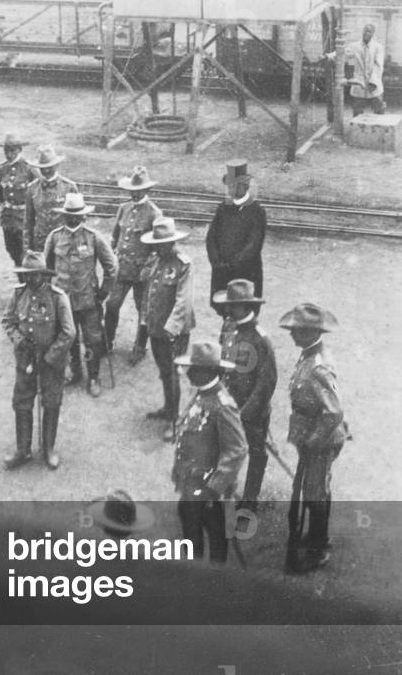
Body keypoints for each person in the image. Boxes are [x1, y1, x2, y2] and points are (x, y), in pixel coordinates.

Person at [280, 303, 348, 574]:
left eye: (296, 330)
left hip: (321, 438)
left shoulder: (318, 365)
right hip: (309, 431)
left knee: (314, 491)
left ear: (310, 333)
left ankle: (318, 549)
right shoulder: (309, 354)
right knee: (316, 488)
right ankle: (318, 535)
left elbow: (334, 411)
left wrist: (314, 440)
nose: (291, 334)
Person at [171, 340, 247, 567]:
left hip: (207, 490)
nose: (188, 372)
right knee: (190, 529)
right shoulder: (202, 394)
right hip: (190, 483)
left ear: (209, 371)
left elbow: (237, 449)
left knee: (216, 540)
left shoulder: (223, 405)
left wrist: (215, 487)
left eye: (193, 368)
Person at [1, 251, 76, 470]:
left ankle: (48, 449)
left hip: (52, 362)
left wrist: (51, 355)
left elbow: (68, 333)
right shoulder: (18, 294)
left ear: (44, 275)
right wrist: (18, 340)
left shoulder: (57, 297)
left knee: (51, 402)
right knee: (22, 402)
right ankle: (22, 450)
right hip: (25, 360)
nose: (31, 279)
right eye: (27, 275)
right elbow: (7, 321)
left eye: (35, 275)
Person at [43, 193, 116, 398]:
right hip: (63, 300)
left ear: (84, 216)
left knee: (92, 340)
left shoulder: (93, 237)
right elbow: (46, 267)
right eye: (69, 215)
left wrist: (102, 293)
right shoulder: (55, 237)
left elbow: (112, 267)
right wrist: (50, 292)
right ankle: (75, 371)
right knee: (69, 338)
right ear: (63, 216)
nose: (73, 219)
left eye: (77, 215)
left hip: (88, 300)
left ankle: (93, 376)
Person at [214, 279, 277, 511]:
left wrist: (246, 413)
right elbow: (223, 363)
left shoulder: (260, 339)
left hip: (252, 410)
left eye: (232, 305)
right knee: (226, 448)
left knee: (256, 452)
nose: (227, 309)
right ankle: (226, 489)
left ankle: (250, 500)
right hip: (229, 403)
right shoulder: (228, 327)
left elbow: (266, 383)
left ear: (245, 306)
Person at [140, 217, 195, 440]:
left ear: (171, 242)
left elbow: (184, 301)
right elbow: (148, 293)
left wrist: (171, 329)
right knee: (164, 371)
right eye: (156, 244)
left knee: (172, 373)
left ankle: (174, 421)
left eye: (162, 244)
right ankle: (168, 407)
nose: (158, 247)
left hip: (175, 331)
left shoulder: (183, 264)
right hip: (156, 326)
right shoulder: (155, 261)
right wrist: (146, 321)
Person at [104, 167, 162, 364]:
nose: (134, 193)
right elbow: (115, 236)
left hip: (141, 272)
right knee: (112, 305)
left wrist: (147, 268)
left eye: (139, 190)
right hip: (121, 268)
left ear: (147, 191)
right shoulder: (124, 208)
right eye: (132, 190)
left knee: (143, 311)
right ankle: (108, 341)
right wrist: (111, 258)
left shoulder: (154, 213)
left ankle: (139, 347)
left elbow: (158, 246)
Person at [205, 160, 266, 310]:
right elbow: (211, 237)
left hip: (244, 273)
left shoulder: (256, 211)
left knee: (242, 308)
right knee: (224, 308)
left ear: (244, 186)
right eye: (229, 186)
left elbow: (254, 244)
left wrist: (234, 263)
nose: (229, 189)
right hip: (221, 271)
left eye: (233, 185)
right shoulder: (223, 208)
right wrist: (216, 261)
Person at [23, 145, 79, 253]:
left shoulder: (69, 187)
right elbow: (28, 221)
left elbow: (79, 219)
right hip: (40, 244)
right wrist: (27, 248)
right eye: (43, 168)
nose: (47, 170)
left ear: (57, 165)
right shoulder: (32, 189)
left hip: (64, 243)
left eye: (50, 166)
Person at [0, 134, 38, 266]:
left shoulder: (28, 168)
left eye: (12, 150)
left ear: (19, 150)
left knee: (24, 251)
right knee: (11, 249)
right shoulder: (2, 168)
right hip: (8, 218)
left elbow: (38, 189)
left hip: (23, 218)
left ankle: (26, 283)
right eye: (6, 150)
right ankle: (22, 278)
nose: (9, 153)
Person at [327, 22, 385, 115]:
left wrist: (372, 82)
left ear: (373, 34)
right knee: (357, 112)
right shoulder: (354, 46)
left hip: (374, 85)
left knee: (379, 110)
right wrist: (329, 56)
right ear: (362, 32)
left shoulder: (378, 47)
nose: (366, 33)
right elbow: (342, 53)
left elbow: (378, 66)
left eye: (369, 31)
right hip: (359, 85)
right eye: (365, 31)